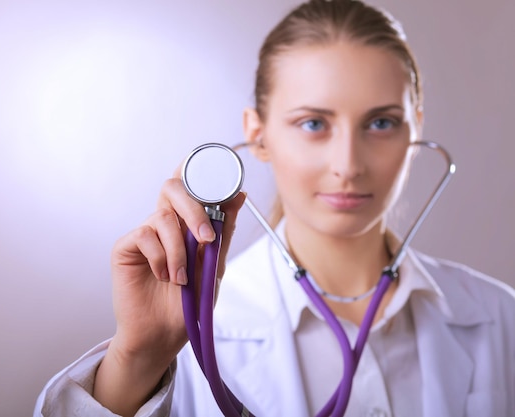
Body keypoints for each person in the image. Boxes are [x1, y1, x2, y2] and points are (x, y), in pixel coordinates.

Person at [34, 1, 515, 416]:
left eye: (382, 122)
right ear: (258, 134)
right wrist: (138, 358)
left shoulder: (501, 316)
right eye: (312, 124)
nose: (347, 165)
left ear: (416, 129)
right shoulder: (200, 330)